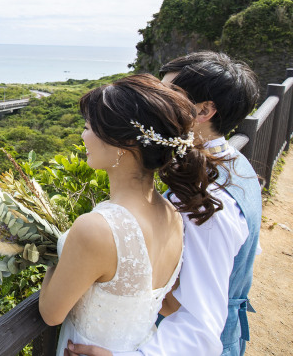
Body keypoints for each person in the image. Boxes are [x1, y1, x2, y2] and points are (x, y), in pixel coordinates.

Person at [65, 51, 261, 356]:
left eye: (168, 94)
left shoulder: (206, 201)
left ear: (204, 111)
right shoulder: (235, 165)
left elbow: (200, 326)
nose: (154, 101)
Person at [39, 73, 223, 356]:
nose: (83, 135)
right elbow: (166, 302)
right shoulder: (173, 213)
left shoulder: (97, 228)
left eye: (88, 127)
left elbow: (52, 313)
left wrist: (50, 254)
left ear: (121, 144)